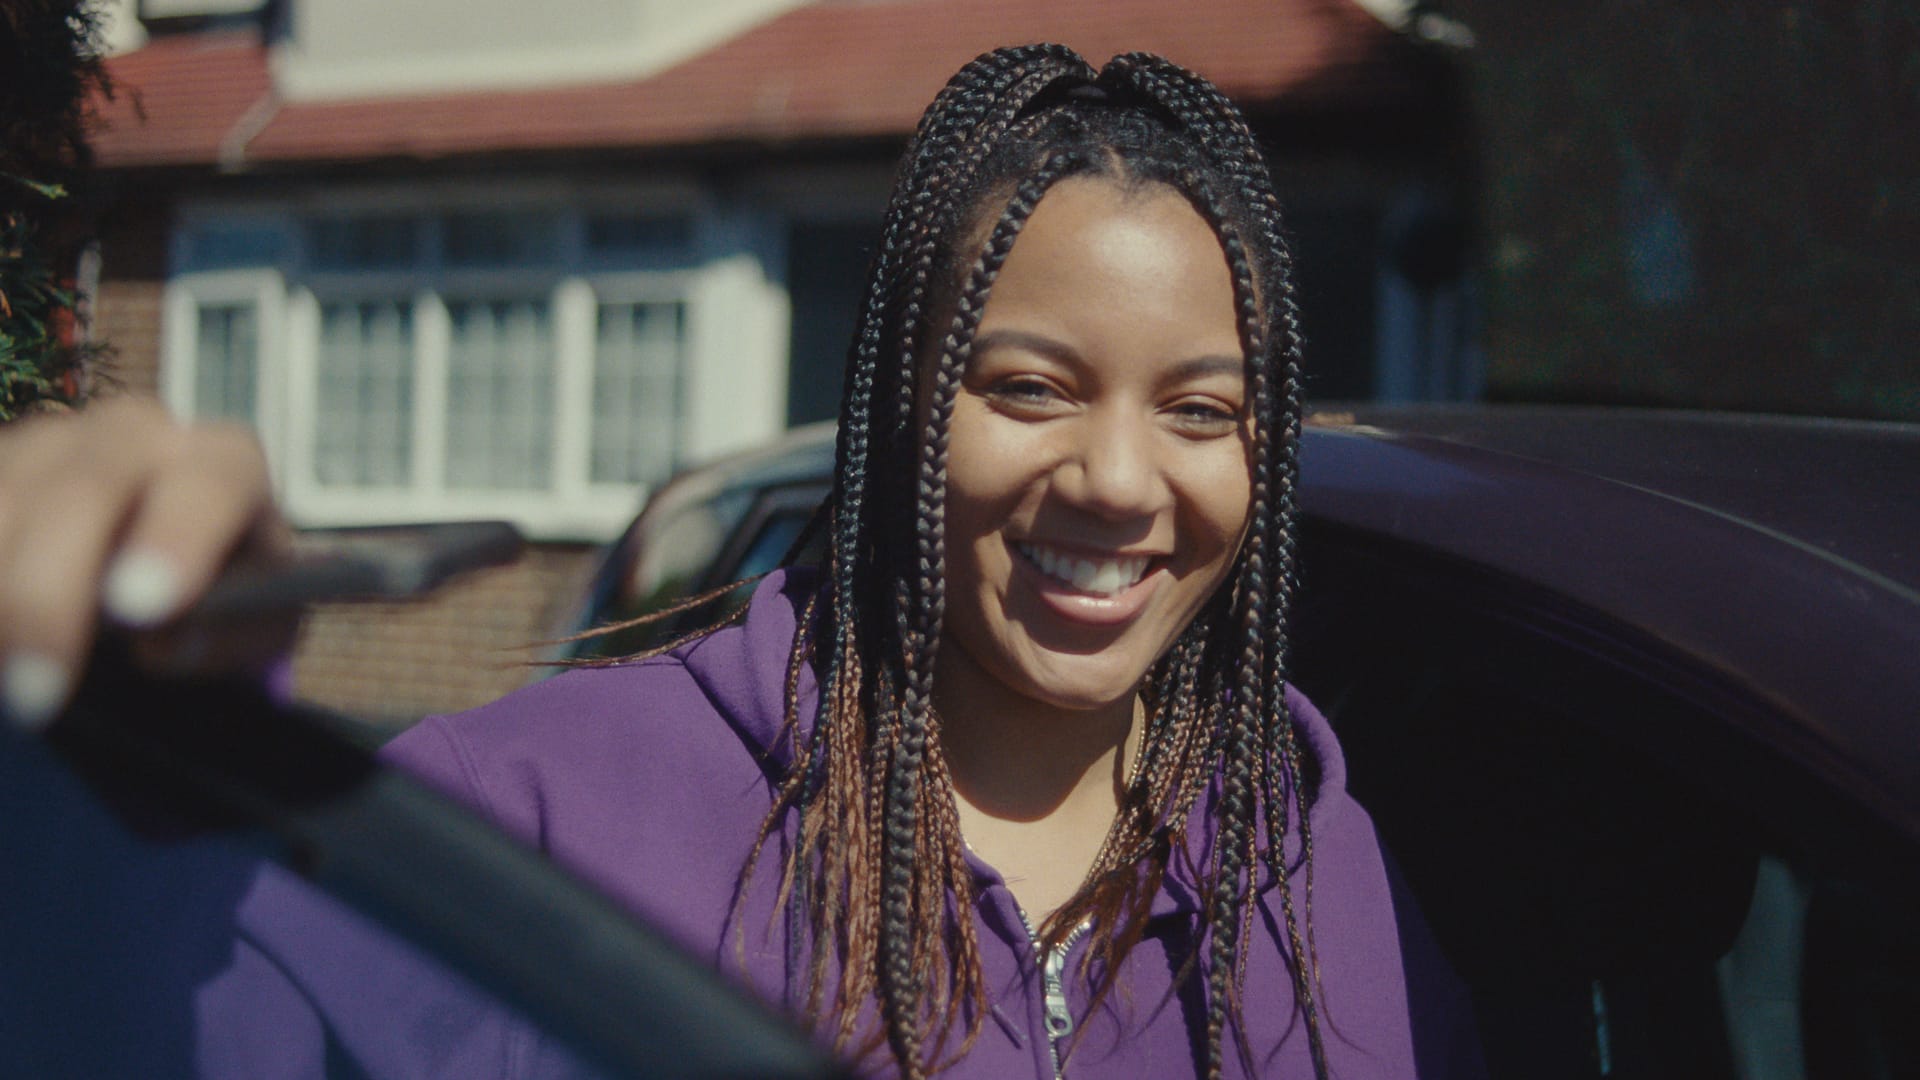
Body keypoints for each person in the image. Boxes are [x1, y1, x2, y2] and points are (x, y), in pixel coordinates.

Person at [0, 45, 1481, 1079]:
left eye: (1202, 410)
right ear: (900, 407)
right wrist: (105, 767)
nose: (1116, 478)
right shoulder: (534, 810)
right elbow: (142, 1016)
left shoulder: (1315, 870)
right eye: (1029, 387)